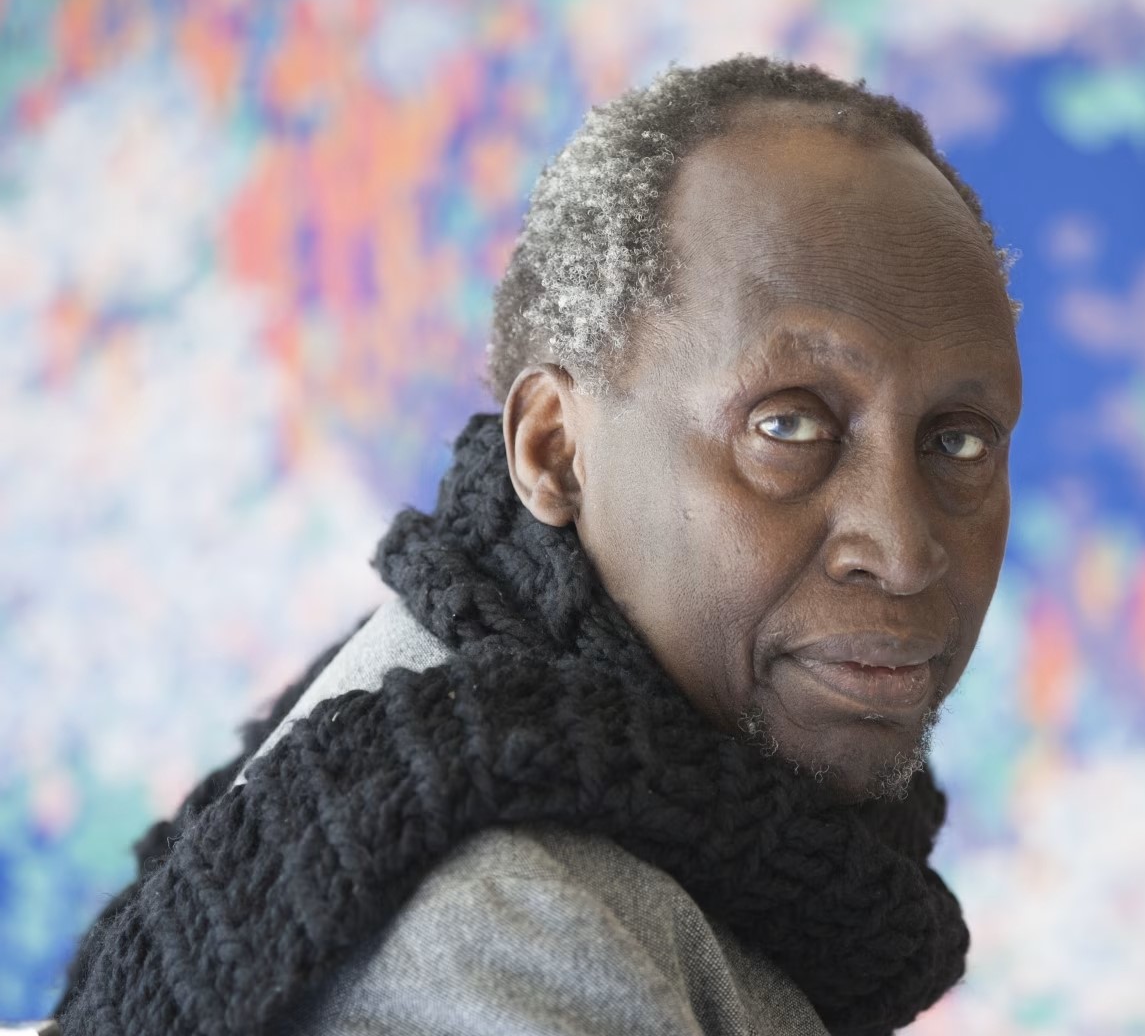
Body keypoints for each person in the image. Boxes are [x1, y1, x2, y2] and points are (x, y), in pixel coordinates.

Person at [54, 54, 1021, 1036]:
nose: (903, 551)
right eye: (786, 426)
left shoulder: (598, 749)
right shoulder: (508, 934)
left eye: (959, 442)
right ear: (554, 451)